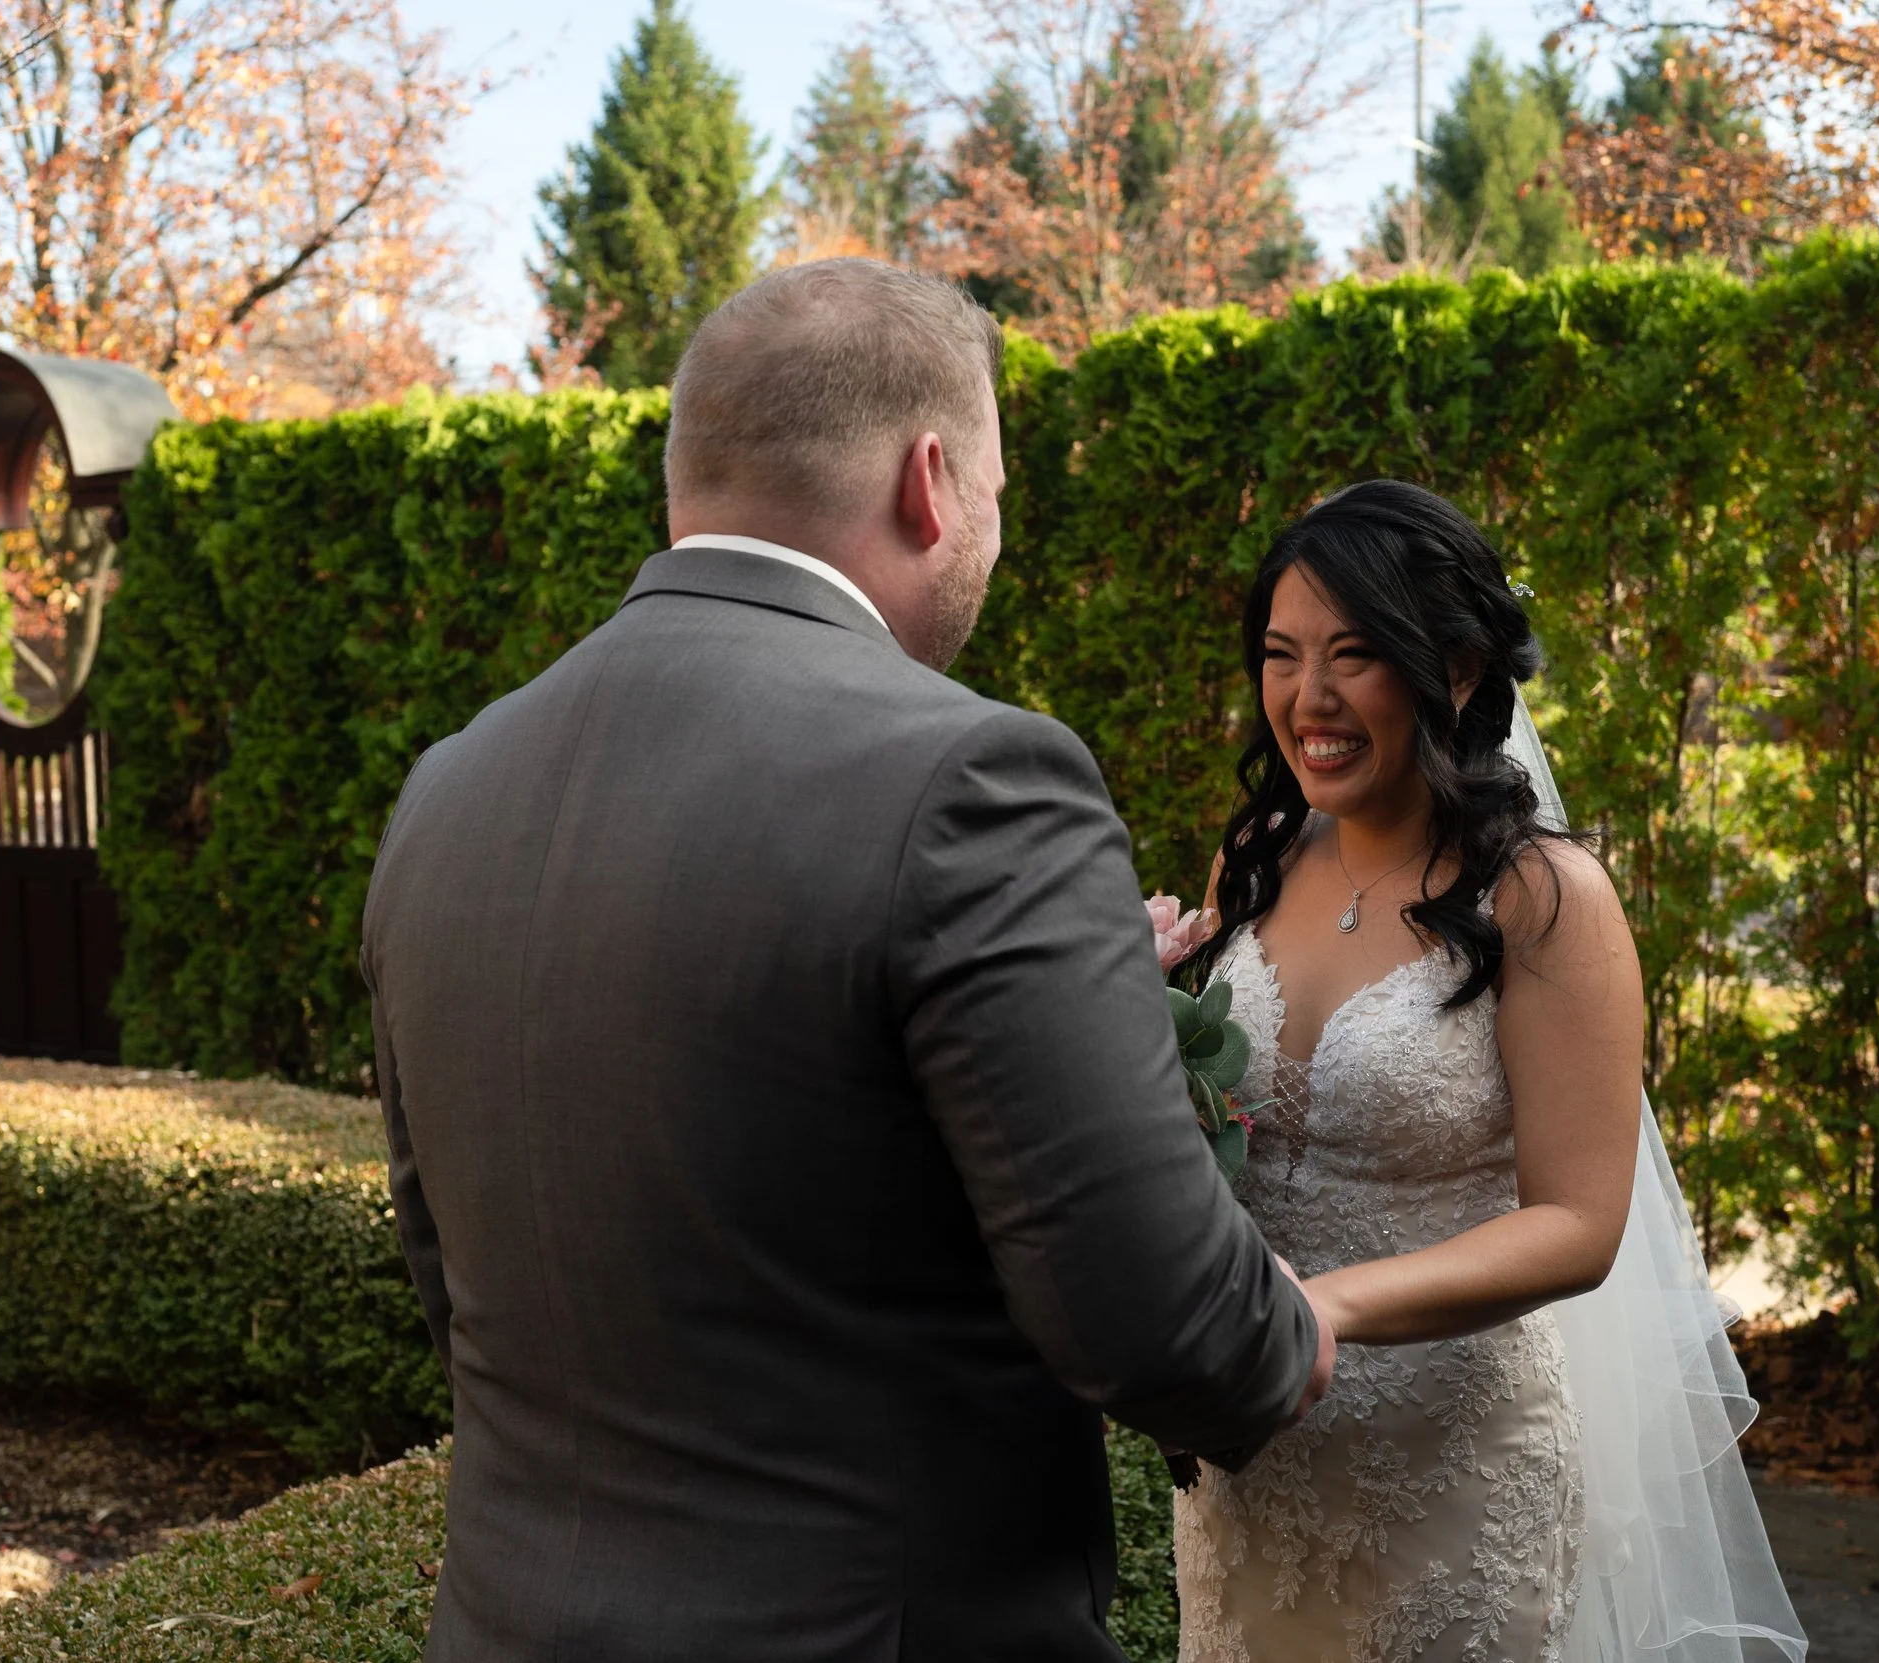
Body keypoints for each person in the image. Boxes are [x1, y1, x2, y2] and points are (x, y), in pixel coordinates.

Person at [360, 256, 1334, 1663]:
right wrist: (1287, 1334)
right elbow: (1165, 1326)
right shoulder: (973, 773)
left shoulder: (448, 787)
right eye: (996, 492)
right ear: (931, 479)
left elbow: (452, 1279)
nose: (991, 528)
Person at [1171, 481, 1807, 1663]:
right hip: (1251, 1459)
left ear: (1456, 668)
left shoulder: (1542, 896)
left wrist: (1325, 1309)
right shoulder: (1252, 858)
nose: (1307, 699)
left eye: (1354, 656)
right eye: (1280, 655)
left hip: (1451, 1468)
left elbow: (1577, 1223)